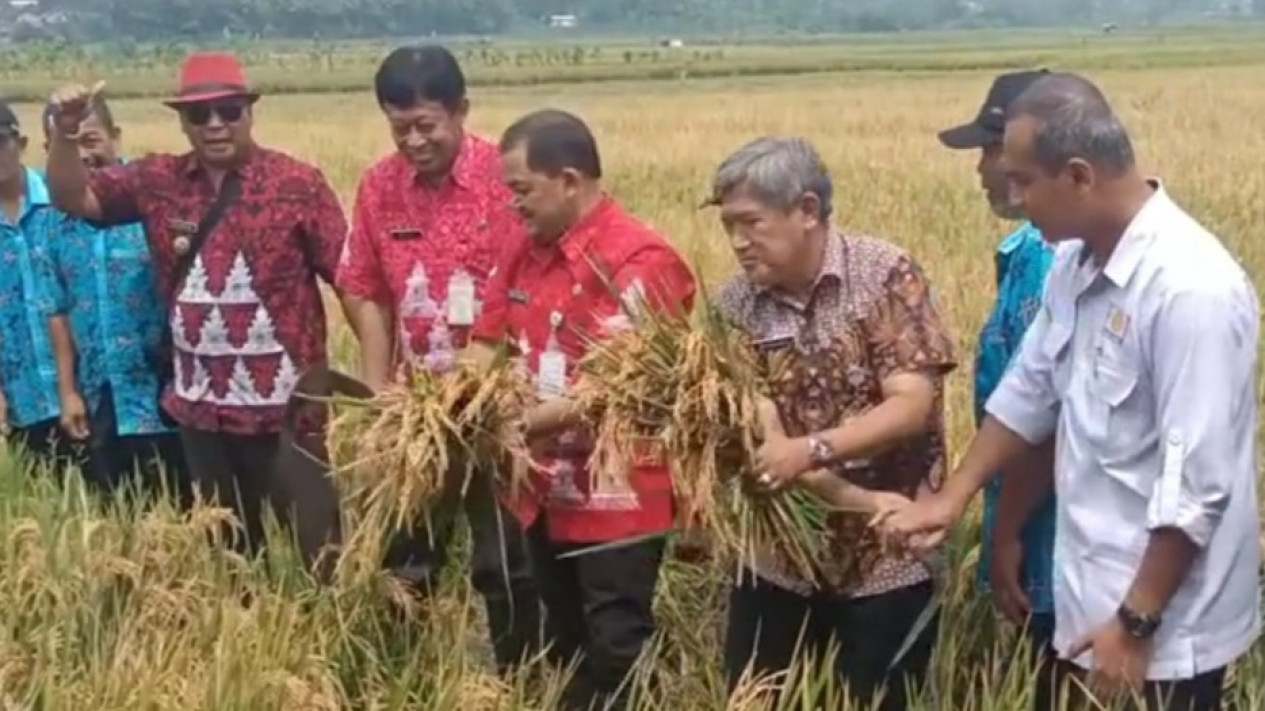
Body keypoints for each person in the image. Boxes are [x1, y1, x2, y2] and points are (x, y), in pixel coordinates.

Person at [879, 72, 1260, 711]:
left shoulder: (1191, 289)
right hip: (1089, 595)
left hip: (1164, 630)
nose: (1013, 195)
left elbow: (1197, 484)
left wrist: (1137, 624)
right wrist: (952, 500)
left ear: (1079, 176)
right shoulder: (1074, 264)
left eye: (1024, 181)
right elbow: (1030, 390)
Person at [43, 52, 358, 568]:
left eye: (229, 111)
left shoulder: (297, 184)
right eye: (199, 114)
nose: (215, 124)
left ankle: (323, 638)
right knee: (232, 555)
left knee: (316, 552)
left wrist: (373, 374)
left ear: (249, 112)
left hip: (287, 413)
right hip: (201, 413)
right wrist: (66, 133)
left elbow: (350, 281)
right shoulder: (157, 180)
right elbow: (72, 199)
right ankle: (247, 640)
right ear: (183, 122)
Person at [707, 136, 957, 710]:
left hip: (888, 556)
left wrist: (811, 450)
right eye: (729, 228)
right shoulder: (735, 305)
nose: (739, 243)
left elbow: (911, 403)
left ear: (808, 211)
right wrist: (798, 459)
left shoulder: (883, 275)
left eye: (752, 223)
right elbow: (757, 426)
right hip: (779, 560)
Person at [467, 109, 696, 710]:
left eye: (521, 190)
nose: (512, 205)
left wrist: (521, 423)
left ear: (569, 180)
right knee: (566, 643)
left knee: (617, 646)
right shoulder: (524, 251)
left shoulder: (641, 261)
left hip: (615, 498)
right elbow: (486, 341)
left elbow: (618, 388)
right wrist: (453, 404)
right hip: (542, 493)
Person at [335, 44, 541, 676]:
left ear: (461, 112)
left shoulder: (503, 183)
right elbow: (363, 286)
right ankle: (407, 677)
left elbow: (533, 287)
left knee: (505, 561)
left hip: (499, 411)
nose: (415, 141)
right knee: (408, 556)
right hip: (413, 413)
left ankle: (520, 677)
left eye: (428, 125)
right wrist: (376, 393)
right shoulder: (379, 186)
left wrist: (490, 386)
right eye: (401, 128)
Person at [938, 69, 1059, 703]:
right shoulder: (1024, 251)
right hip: (1029, 524)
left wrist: (1007, 528)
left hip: (1054, 542)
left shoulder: (1051, 259)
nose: (982, 169)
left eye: (989, 150)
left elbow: (1045, 416)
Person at [34, 93, 192, 504]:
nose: (83, 154)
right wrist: (68, 393)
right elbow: (57, 311)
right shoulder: (53, 224)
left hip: (162, 392)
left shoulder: (152, 203)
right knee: (115, 516)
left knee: (180, 510)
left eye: (91, 140)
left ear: (115, 138)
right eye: (67, 144)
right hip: (99, 397)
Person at [0, 101, 84, 473]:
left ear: (21, 142)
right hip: (20, 402)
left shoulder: (65, 202)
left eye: (0, 142)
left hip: (85, 396)